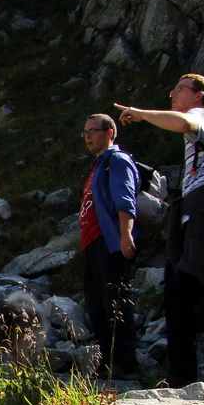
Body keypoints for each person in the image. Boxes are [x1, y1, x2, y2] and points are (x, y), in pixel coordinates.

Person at [114, 73, 204, 386]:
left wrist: (142, 113)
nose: (173, 95)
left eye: (180, 90)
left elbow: (182, 123)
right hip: (193, 209)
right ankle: (182, 377)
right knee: (178, 288)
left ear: (200, 95)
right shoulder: (202, 121)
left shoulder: (203, 115)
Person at [78, 113, 141, 379]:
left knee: (116, 302)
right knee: (97, 305)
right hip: (91, 244)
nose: (89, 136)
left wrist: (126, 234)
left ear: (110, 133)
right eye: (85, 132)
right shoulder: (96, 166)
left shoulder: (116, 160)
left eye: (94, 131)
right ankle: (107, 363)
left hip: (110, 241)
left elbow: (124, 198)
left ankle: (126, 365)